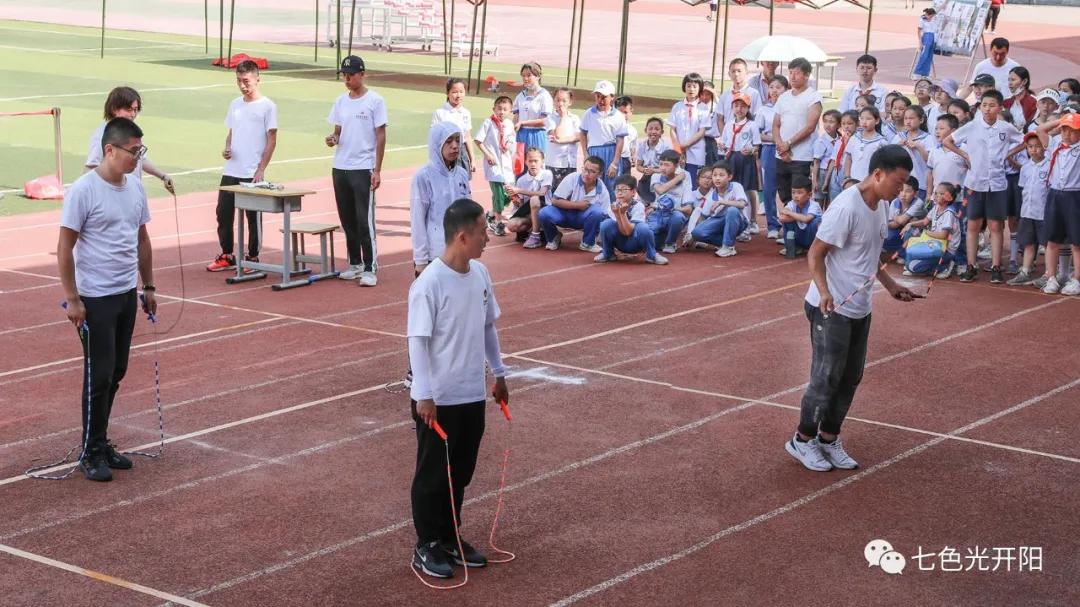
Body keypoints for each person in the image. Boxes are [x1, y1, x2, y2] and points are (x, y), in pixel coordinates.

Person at [786, 144, 919, 473]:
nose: (900, 189)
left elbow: (871, 255)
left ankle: (829, 438)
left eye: (905, 183)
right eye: (897, 181)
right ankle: (802, 440)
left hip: (860, 307)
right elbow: (815, 254)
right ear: (877, 174)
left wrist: (891, 286)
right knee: (825, 377)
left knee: (850, 377)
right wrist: (824, 291)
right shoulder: (846, 207)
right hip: (830, 307)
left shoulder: (881, 206)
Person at [408, 197, 510, 579]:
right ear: (464, 236)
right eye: (484, 231)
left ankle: (450, 536)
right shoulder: (429, 283)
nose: (488, 238)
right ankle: (427, 543)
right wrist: (424, 394)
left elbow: (488, 327)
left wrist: (499, 374)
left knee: (461, 471)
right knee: (433, 473)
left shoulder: (480, 274)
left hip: (471, 393)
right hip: (439, 398)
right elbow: (417, 340)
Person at [58, 118, 156, 482]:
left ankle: (99, 439)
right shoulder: (83, 190)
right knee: (98, 375)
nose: (137, 158)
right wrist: (73, 298)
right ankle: (91, 449)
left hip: (125, 294)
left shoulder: (135, 189)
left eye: (140, 151)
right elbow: (64, 246)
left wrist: (149, 286)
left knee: (116, 371)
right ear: (110, 149)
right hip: (94, 298)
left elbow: (142, 239)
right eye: (134, 151)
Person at [942, 89, 1022, 283]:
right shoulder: (972, 126)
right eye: (984, 105)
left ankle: (996, 266)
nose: (987, 109)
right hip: (974, 183)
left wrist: (1008, 154)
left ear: (1000, 107)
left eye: (992, 105)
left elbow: (1025, 140)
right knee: (973, 225)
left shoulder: (1006, 127)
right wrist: (965, 155)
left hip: (997, 183)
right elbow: (948, 140)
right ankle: (971, 265)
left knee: (996, 225)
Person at [207, 60, 278, 273]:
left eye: (246, 81)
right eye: (239, 81)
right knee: (223, 212)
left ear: (258, 79)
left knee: (252, 216)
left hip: (251, 171)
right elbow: (231, 132)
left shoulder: (268, 106)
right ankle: (227, 254)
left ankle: (253, 257)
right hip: (231, 169)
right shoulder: (235, 104)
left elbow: (272, 139)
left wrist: (261, 169)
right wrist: (227, 148)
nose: (242, 85)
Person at [326, 55, 387, 286]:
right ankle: (355, 263)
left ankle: (370, 267)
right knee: (347, 219)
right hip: (340, 166)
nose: (347, 78)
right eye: (344, 74)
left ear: (362, 74)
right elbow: (338, 130)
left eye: (351, 74)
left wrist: (377, 169)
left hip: (363, 167)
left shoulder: (375, 101)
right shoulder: (341, 101)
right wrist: (333, 139)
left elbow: (381, 135)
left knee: (364, 220)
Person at [84, 87, 174, 193]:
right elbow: (91, 168)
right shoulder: (101, 135)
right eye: (128, 109)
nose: (133, 114)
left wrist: (163, 176)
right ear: (114, 109)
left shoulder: (133, 132)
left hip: (132, 193)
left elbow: (141, 159)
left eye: (135, 110)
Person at [411, 122, 473, 274]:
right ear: (436, 143)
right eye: (448, 141)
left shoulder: (462, 174)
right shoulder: (424, 177)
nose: (454, 146)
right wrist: (420, 260)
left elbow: (469, 212)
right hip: (436, 254)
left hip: (461, 251)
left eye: (457, 140)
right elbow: (417, 219)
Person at [1032, 113, 1080, 295]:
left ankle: (1076, 279)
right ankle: (1051, 277)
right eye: (1064, 130)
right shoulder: (1055, 145)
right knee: (1052, 239)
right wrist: (1063, 120)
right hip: (1055, 195)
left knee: (1077, 241)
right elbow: (1040, 129)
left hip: (1075, 196)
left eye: (1072, 130)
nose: (1067, 134)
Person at [772, 58, 823, 213]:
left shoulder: (813, 97)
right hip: (781, 155)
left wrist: (788, 144)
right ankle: (789, 228)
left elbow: (810, 127)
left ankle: (802, 227)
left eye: (797, 73)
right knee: (784, 194)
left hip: (802, 157)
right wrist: (781, 146)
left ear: (807, 75)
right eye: (790, 73)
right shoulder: (784, 96)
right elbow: (775, 124)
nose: (792, 77)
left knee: (800, 195)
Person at [539, 155, 610, 252]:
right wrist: (578, 205)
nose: (586, 174)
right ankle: (554, 237)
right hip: (564, 214)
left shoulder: (602, 190)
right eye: (585, 169)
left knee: (597, 212)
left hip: (583, 218)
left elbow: (605, 215)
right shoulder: (572, 178)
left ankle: (588, 243)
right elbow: (555, 201)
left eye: (592, 172)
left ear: (600, 174)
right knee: (544, 213)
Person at [596, 174, 669, 265]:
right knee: (606, 224)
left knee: (643, 228)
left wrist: (622, 214)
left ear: (633, 192)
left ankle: (652, 255)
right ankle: (608, 253)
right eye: (617, 189)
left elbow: (628, 232)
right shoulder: (613, 206)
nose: (620, 193)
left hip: (635, 242)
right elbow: (620, 230)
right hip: (620, 241)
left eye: (624, 189)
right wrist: (617, 214)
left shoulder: (638, 206)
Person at [1007, 132, 1048, 285]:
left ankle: (1049, 274)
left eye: (1037, 146)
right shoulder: (1025, 168)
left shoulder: (1049, 165)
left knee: (1047, 244)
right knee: (1028, 242)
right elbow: (1023, 189)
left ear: (1044, 147)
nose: (1034, 150)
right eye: (1030, 147)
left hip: (1043, 212)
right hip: (1027, 212)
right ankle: (1025, 270)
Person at [475, 96, 516, 236]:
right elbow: (478, 140)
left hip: (507, 164)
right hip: (494, 165)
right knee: (498, 194)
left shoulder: (509, 125)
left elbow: (512, 142)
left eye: (505, 109)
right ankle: (498, 223)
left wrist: (509, 147)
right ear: (494, 109)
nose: (501, 112)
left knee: (511, 194)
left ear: (510, 111)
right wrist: (488, 155)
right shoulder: (488, 123)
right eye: (499, 108)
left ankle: (491, 214)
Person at [579, 81, 627, 200]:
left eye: (604, 97)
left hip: (611, 152)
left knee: (612, 185)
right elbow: (583, 133)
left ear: (612, 97)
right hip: (594, 152)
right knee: (593, 184)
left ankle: (613, 214)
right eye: (598, 96)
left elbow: (620, 140)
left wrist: (615, 163)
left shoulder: (618, 116)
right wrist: (585, 154)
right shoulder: (589, 114)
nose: (600, 100)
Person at [689, 161, 748, 258]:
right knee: (697, 233)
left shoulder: (736, 186)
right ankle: (723, 242)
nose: (717, 178)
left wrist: (722, 202)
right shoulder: (711, 195)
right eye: (714, 175)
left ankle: (728, 247)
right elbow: (703, 216)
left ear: (729, 177)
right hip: (720, 221)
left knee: (732, 210)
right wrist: (693, 236)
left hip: (739, 221)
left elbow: (742, 204)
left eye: (721, 175)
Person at [758, 75, 789, 238]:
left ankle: (789, 223)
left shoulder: (791, 108)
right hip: (770, 150)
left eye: (779, 87)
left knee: (787, 187)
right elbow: (757, 134)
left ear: (786, 89)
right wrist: (776, 139)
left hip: (789, 150)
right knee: (769, 188)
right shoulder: (764, 110)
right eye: (771, 87)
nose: (774, 90)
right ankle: (772, 225)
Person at [647, 149, 694, 254]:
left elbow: (688, 209)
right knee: (650, 243)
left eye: (667, 165)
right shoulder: (656, 176)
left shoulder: (686, 177)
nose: (663, 168)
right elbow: (660, 190)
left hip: (673, 217)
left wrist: (672, 208)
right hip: (658, 217)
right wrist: (677, 179)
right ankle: (661, 240)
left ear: (677, 165)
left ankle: (670, 243)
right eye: (661, 164)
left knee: (677, 216)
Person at [505, 147, 552, 248]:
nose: (533, 164)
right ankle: (535, 229)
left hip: (545, 210)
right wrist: (514, 198)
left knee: (535, 199)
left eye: (536, 161)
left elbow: (542, 193)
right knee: (511, 225)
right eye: (530, 161)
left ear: (542, 161)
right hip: (529, 213)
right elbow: (521, 204)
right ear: (525, 162)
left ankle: (535, 235)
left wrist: (519, 190)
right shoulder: (521, 180)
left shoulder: (547, 174)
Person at [668, 72, 709, 182]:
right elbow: (672, 129)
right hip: (679, 152)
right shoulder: (677, 107)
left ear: (699, 88)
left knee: (693, 181)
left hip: (696, 152)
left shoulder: (703, 108)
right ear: (684, 87)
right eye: (689, 85)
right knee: (678, 181)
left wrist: (685, 145)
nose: (691, 89)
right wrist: (678, 149)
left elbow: (702, 131)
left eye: (695, 86)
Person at [514, 62, 554, 166]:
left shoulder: (544, 96)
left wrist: (523, 123)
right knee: (520, 168)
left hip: (537, 135)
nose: (525, 78)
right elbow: (516, 117)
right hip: (521, 135)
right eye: (523, 76)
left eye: (529, 75)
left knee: (536, 167)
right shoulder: (520, 96)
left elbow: (544, 121)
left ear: (538, 76)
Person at [431, 78, 475, 172]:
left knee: (462, 183)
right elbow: (434, 138)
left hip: (461, 151)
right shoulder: (440, 112)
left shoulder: (466, 113)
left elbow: (467, 136)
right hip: (446, 152)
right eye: (454, 92)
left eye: (461, 92)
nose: (458, 95)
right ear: (448, 93)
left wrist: (472, 159)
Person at [777, 176, 822, 257]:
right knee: (786, 222)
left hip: (810, 236)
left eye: (799, 193)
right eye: (793, 192)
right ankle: (795, 247)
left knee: (815, 222)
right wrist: (798, 217)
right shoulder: (792, 203)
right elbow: (782, 218)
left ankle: (816, 248)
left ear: (809, 195)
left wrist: (790, 214)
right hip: (800, 236)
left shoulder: (814, 205)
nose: (796, 196)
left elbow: (806, 219)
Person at [546, 87, 580, 193]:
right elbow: (558, 135)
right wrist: (563, 117)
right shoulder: (550, 118)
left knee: (570, 193)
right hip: (555, 163)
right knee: (555, 193)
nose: (560, 103)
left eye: (564, 100)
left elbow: (578, 137)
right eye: (557, 100)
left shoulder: (575, 118)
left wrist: (561, 141)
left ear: (570, 102)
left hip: (571, 163)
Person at [844, 107, 888, 182]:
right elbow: (848, 158)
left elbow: (884, 164)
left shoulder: (881, 142)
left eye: (868, 119)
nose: (864, 122)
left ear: (877, 121)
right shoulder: (854, 138)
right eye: (862, 118)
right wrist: (847, 177)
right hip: (853, 180)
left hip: (871, 182)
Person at [635, 117, 671, 203]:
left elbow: (667, 169)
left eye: (657, 129)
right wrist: (644, 170)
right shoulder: (642, 146)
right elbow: (638, 166)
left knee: (657, 203)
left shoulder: (665, 147)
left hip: (661, 178)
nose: (653, 132)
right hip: (646, 177)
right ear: (645, 130)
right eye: (650, 129)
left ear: (661, 132)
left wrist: (654, 171)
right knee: (641, 201)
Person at [912, 9, 938, 80]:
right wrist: (920, 42)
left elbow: (940, 8)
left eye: (932, 16)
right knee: (924, 55)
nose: (931, 17)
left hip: (933, 37)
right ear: (928, 14)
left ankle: (925, 73)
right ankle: (916, 73)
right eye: (930, 16)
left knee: (929, 56)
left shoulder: (933, 17)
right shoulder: (922, 19)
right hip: (926, 37)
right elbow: (919, 31)